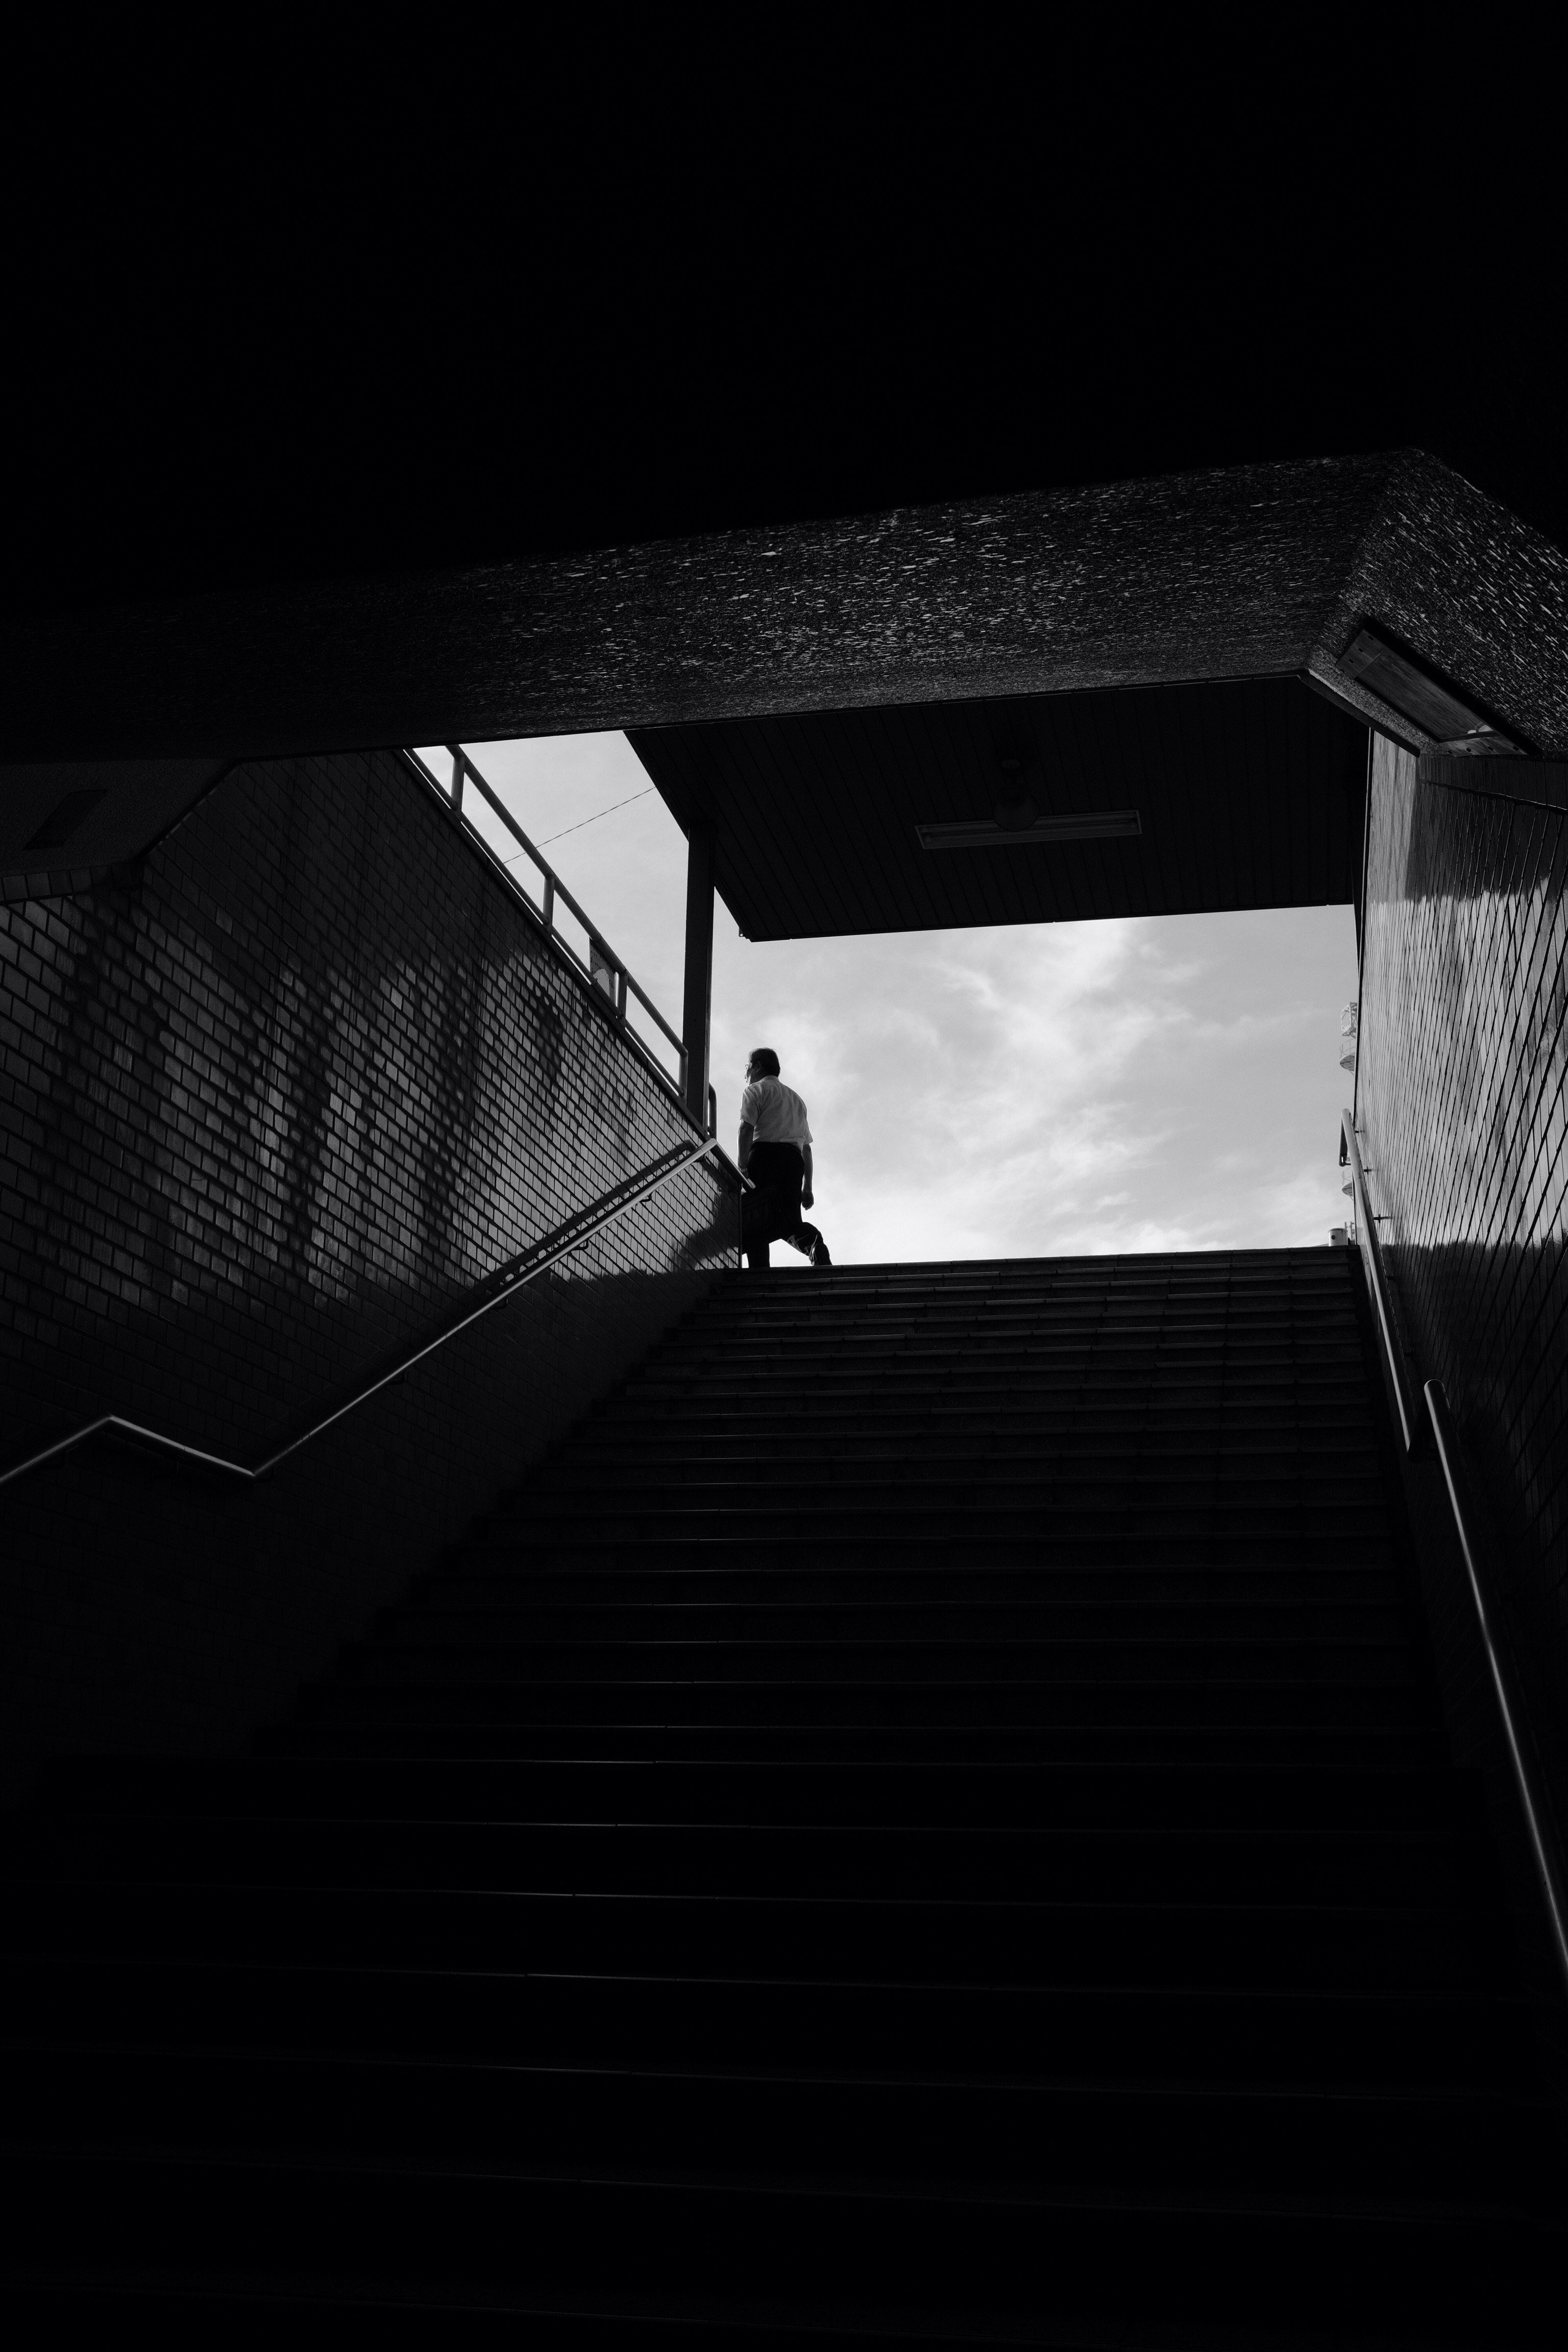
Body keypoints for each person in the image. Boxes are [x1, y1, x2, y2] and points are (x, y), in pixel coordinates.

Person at [738, 1048, 832, 1270]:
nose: (745, 1072)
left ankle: (759, 1274)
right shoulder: (797, 1100)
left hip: (764, 1158)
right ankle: (814, 1246)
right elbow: (806, 1150)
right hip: (793, 1162)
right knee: (790, 1221)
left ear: (758, 1066)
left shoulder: (755, 1091)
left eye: (747, 1066)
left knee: (758, 1218)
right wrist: (807, 1187)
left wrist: (742, 1167)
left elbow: (745, 1130)